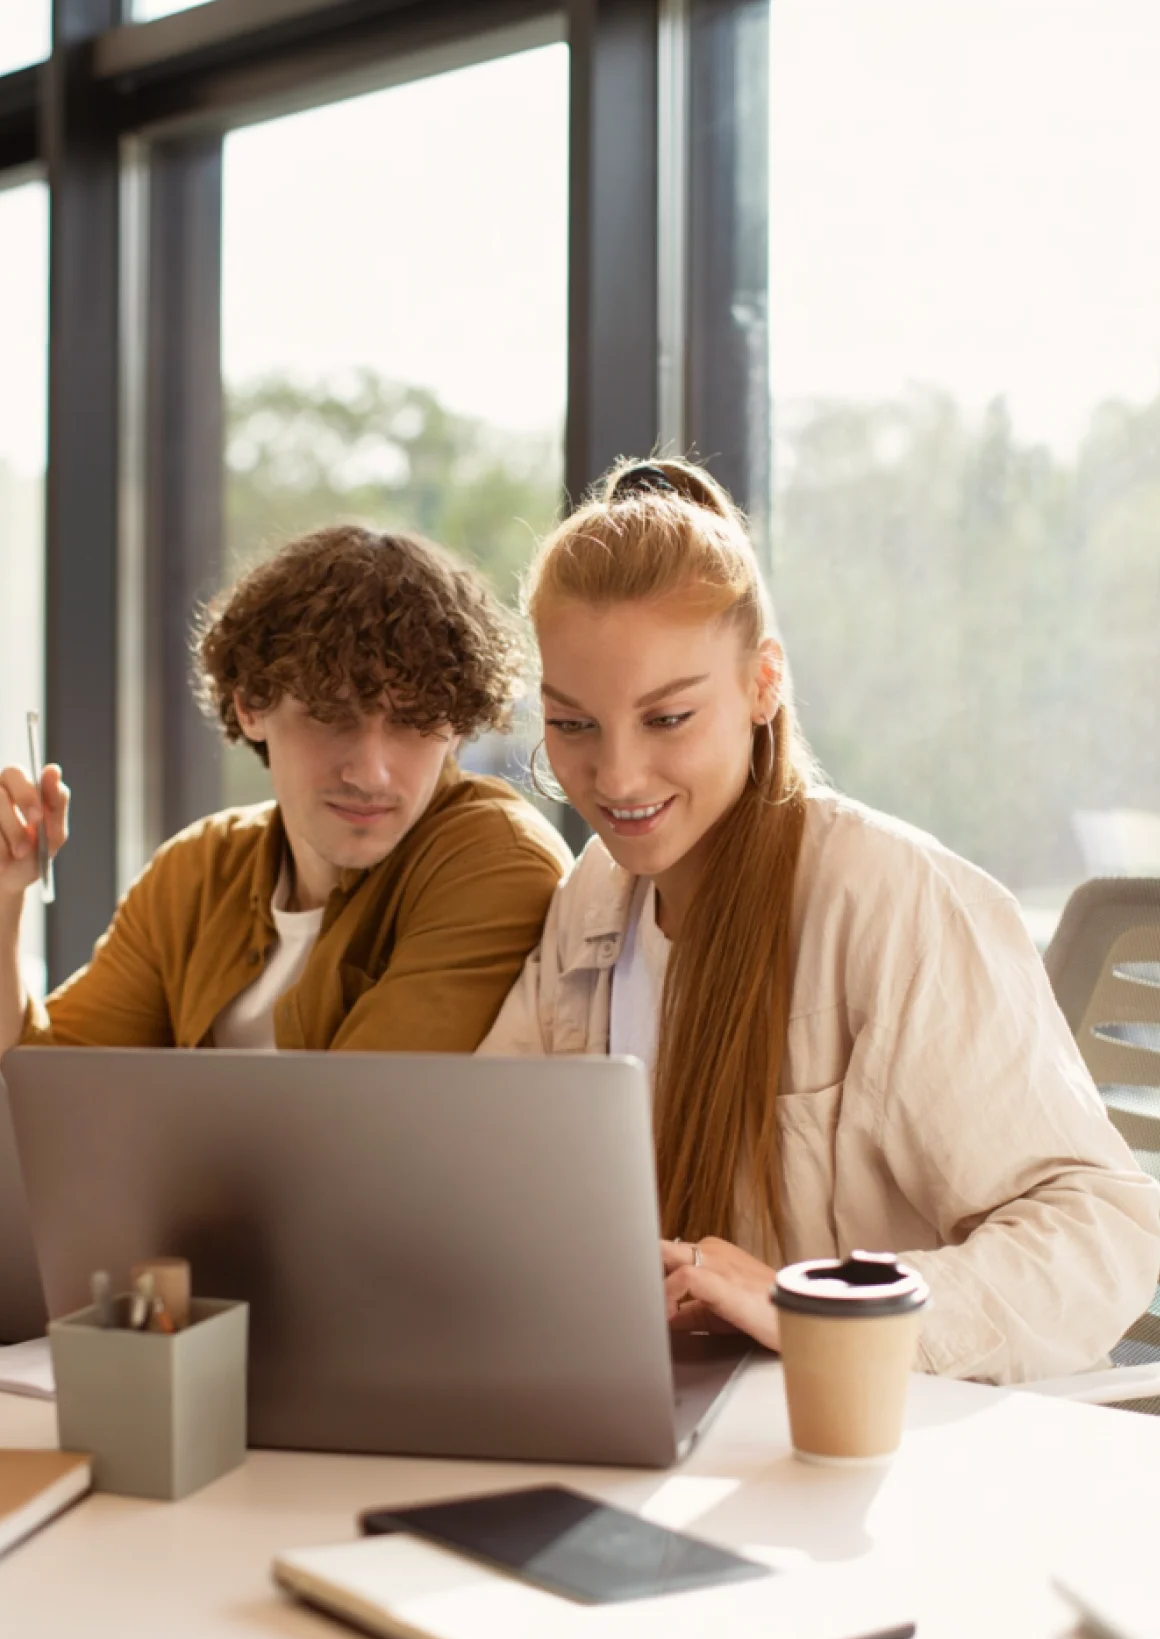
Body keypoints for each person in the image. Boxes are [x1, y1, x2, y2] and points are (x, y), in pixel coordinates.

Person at [481, 456, 1160, 1384]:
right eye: (572, 726)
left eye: (668, 717)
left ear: (762, 685)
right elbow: (485, 1169)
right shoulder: (597, 894)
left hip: (857, 1453)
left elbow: (1099, 1230)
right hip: (651, 1414)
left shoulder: (894, 902)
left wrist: (818, 1308)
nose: (618, 778)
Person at [0, 524, 570, 1058]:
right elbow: (22, 1108)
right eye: (332, 715)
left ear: (456, 727)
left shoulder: (494, 858)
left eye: (412, 722)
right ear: (252, 705)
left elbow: (360, 1133)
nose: (372, 772)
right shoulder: (200, 870)